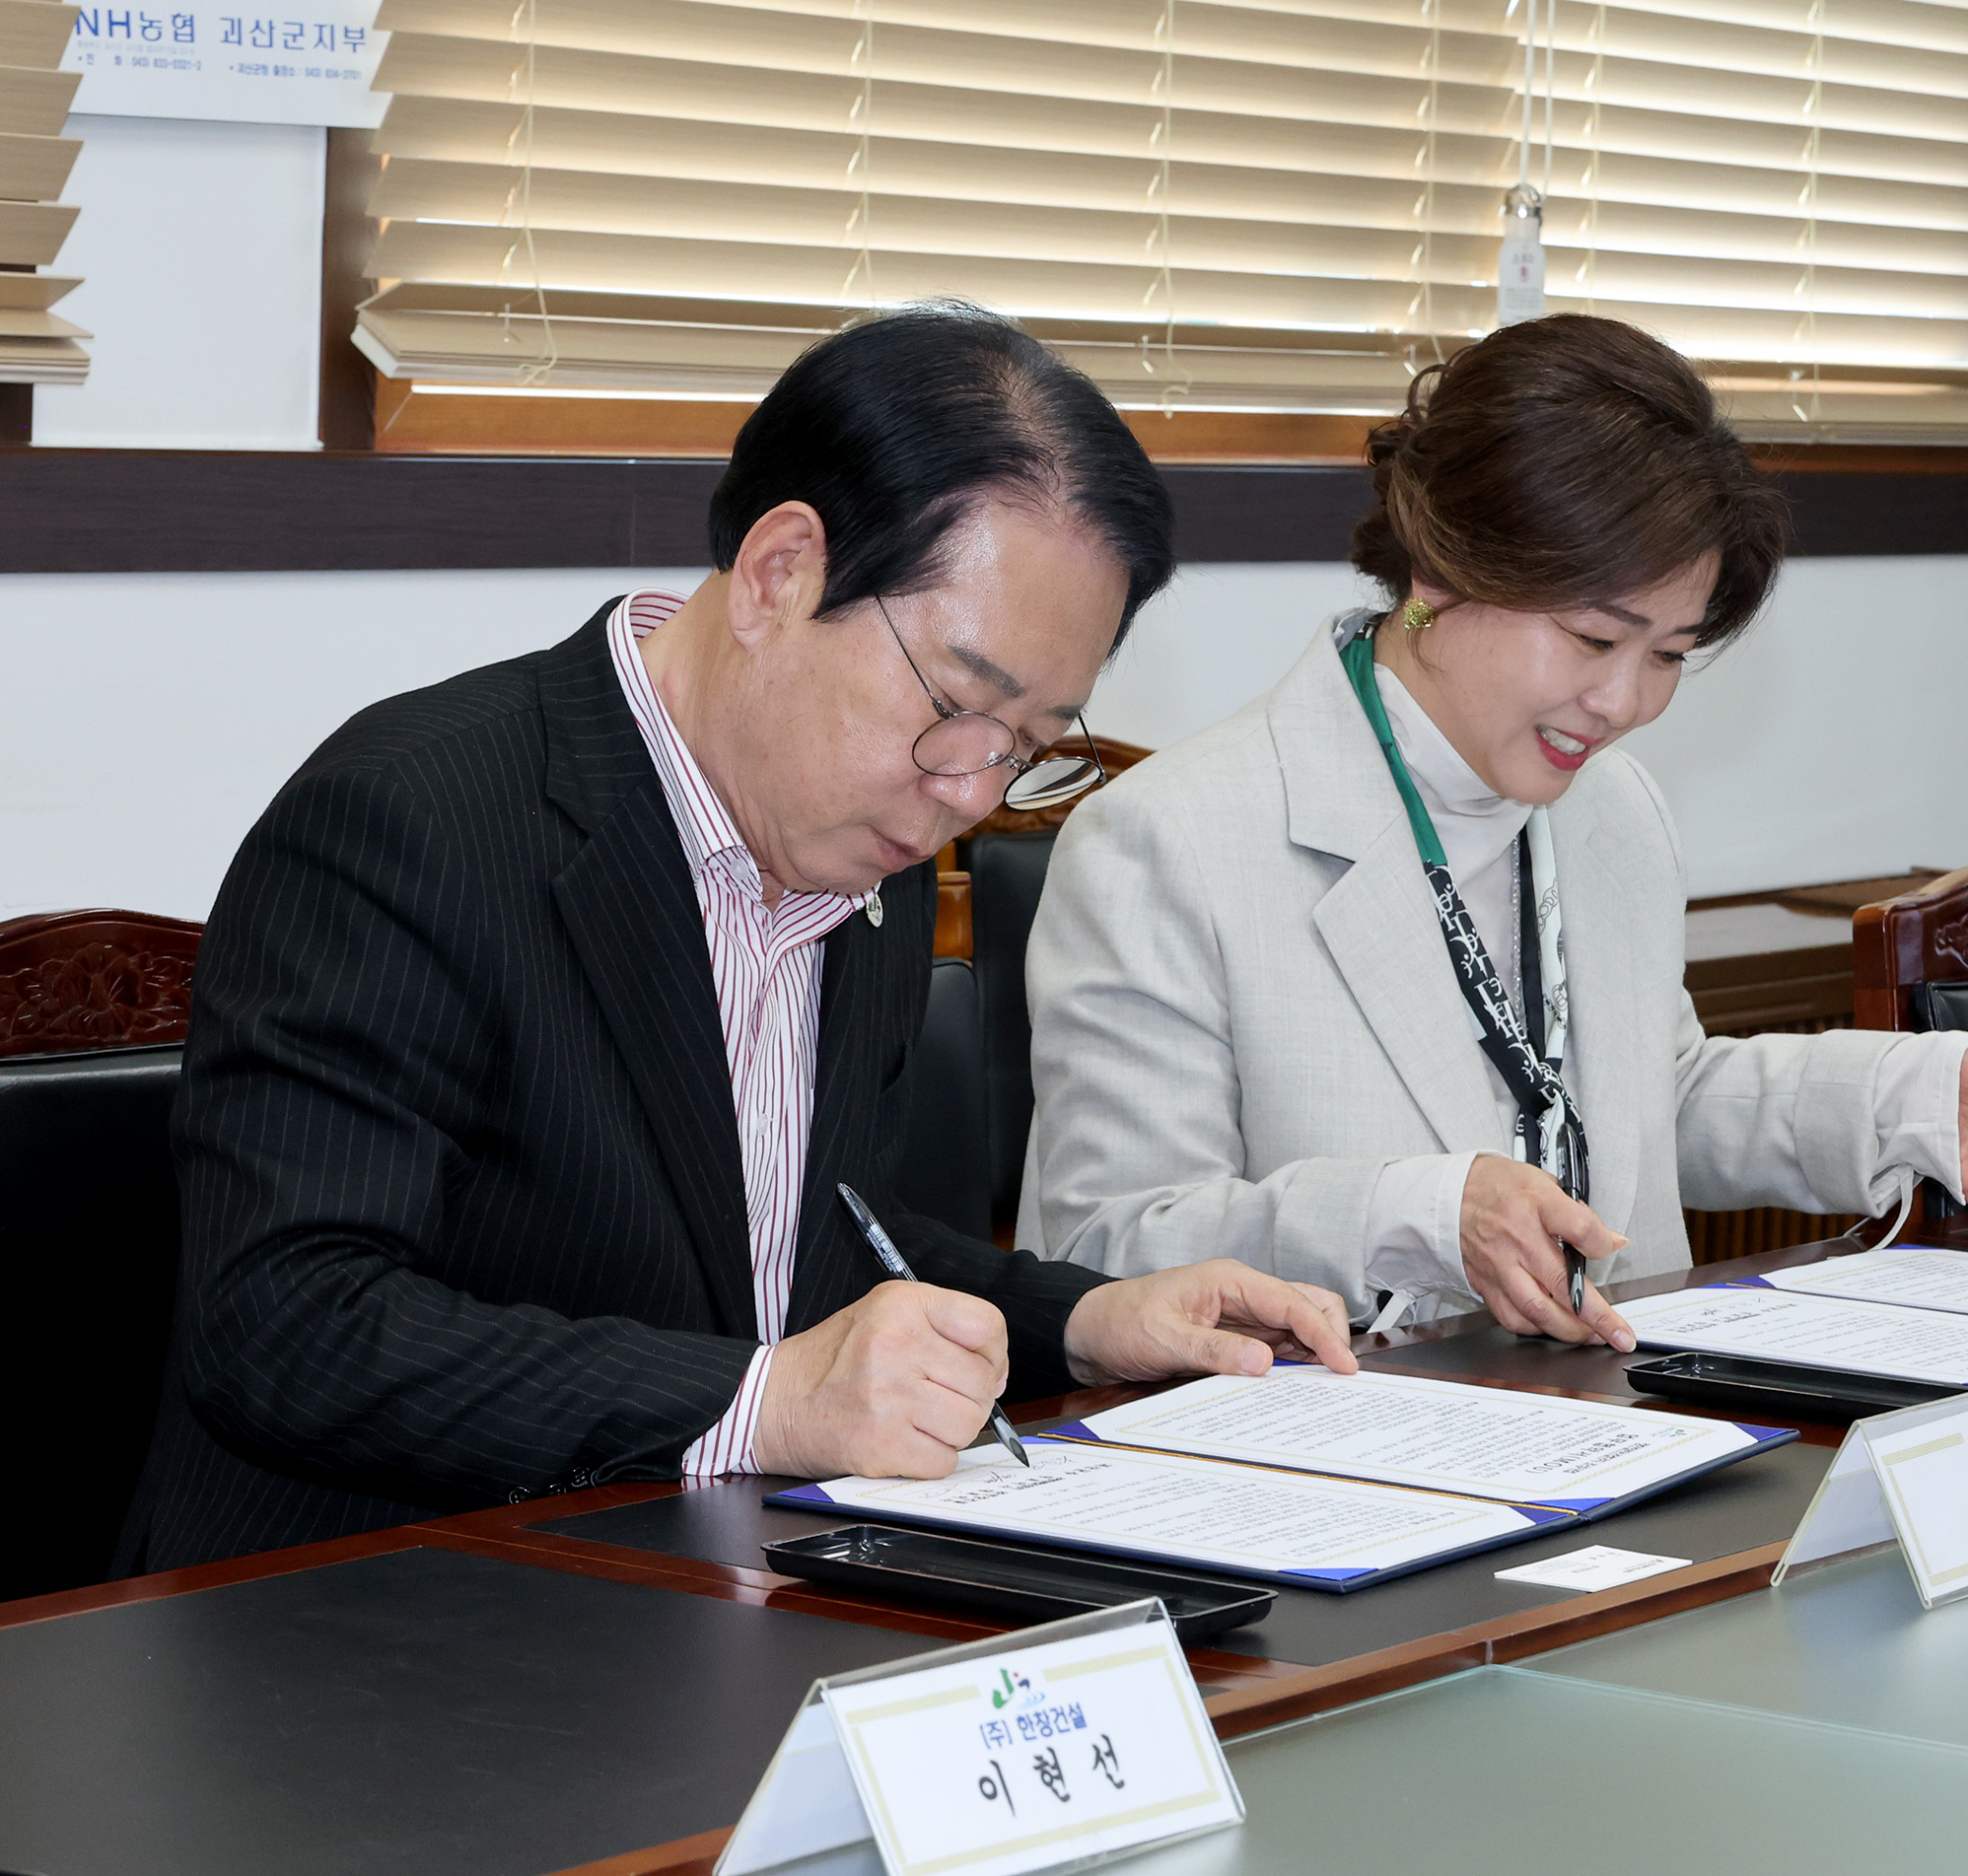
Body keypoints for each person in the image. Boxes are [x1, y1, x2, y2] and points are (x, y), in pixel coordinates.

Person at [121, 307, 1353, 1573]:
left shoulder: (853, 843)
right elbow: (285, 1322)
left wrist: (1092, 1319)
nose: (973, 794)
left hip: (685, 1587)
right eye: (957, 707)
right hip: (366, 1614)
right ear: (778, 574)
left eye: (1027, 748)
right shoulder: (413, 819)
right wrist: (768, 1402)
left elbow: (804, 1242)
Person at [1024, 314, 1968, 1345]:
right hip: (1347, 1456)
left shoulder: (1612, 809)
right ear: (1443, 569)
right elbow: (1111, 1246)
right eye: (1593, 637)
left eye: (1669, 654)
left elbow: (1641, 1108)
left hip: (1624, 1422)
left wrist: (1898, 1095)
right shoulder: (1168, 841)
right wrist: (1412, 1218)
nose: (1624, 702)